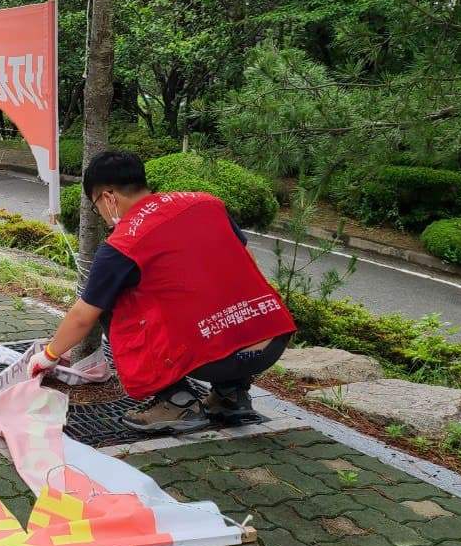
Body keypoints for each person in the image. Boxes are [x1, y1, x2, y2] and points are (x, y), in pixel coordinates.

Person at [32, 150, 296, 434]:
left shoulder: (123, 244)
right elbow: (248, 264)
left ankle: (177, 401)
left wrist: (48, 355)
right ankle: (231, 397)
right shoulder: (207, 204)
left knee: (113, 303)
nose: (104, 217)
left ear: (108, 197)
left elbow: (84, 315)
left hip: (217, 358)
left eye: (97, 206)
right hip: (271, 340)